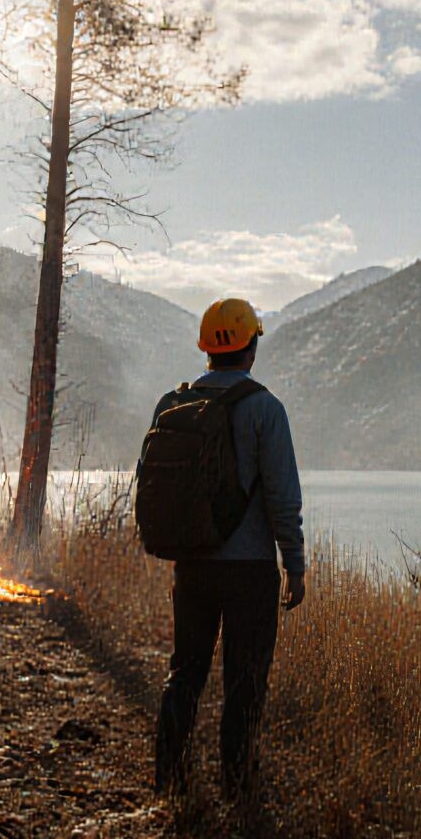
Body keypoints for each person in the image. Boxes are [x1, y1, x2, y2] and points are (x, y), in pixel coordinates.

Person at [146, 297, 306, 796]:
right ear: (251, 346)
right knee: (245, 682)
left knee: (185, 673)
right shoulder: (266, 409)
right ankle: (236, 789)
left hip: (191, 564)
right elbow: (282, 497)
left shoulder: (172, 404)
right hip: (250, 571)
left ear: (207, 349)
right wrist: (295, 565)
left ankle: (169, 782)